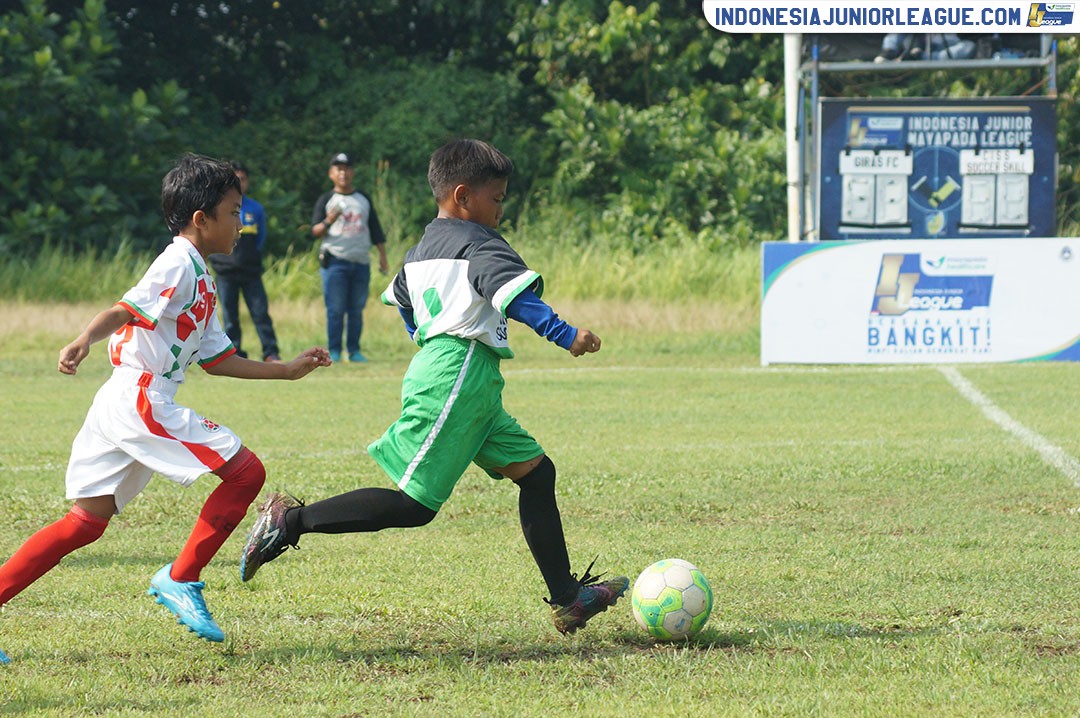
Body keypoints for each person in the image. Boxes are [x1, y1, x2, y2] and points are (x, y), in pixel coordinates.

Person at [241, 139, 628, 636]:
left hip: (464, 375)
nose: (501, 208)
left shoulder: (420, 249)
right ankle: (289, 522)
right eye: (498, 198)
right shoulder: (480, 244)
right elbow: (516, 297)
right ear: (463, 196)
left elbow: (401, 299)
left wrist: (426, 339)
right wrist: (566, 334)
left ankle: (568, 599)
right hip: (460, 372)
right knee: (414, 505)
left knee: (536, 473)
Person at [0, 154, 331, 661]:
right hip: (140, 397)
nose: (240, 224)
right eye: (233, 212)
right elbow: (126, 307)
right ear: (201, 219)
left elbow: (219, 360)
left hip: (123, 400)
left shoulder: (202, 275)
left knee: (85, 522)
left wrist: (286, 369)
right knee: (246, 474)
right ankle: (181, 577)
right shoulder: (178, 262)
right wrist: (84, 338)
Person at [311, 152, 390, 363]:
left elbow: (375, 229)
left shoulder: (363, 198)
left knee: (356, 309)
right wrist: (329, 220)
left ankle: (354, 351)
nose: (343, 173)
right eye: (338, 169)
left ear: (352, 172)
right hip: (335, 262)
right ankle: (334, 351)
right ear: (331, 174)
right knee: (335, 309)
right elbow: (315, 231)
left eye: (346, 168)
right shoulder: (327, 200)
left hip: (361, 262)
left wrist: (383, 257)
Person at [207, 160, 282, 362]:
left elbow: (261, 238)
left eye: (242, 179)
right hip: (225, 271)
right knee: (230, 317)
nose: (239, 183)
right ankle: (234, 353)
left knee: (260, 313)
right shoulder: (218, 206)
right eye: (235, 179)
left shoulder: (255, 209)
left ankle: (270, 352)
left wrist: (250, 256)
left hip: (250, 271)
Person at [875, 33, 975, 62]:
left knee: (968, 47)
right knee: (894, 36)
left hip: (947, 45)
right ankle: (888, 53)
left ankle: (919, 58)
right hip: (916, 42)